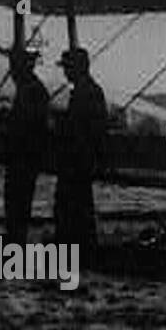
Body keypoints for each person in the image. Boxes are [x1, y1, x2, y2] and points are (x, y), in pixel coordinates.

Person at [0, 43, 49, 243]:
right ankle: (16, 239)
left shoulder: (30, 90)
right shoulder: (32, 88)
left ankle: (16, 242)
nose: (11, 71)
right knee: (19, 202)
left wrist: (4, 117)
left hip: (23, 157)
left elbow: (25, 124)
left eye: (14, 66)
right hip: (27, 156)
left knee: (17, 201)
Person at [55, 48, 107, 255]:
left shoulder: (85, 92)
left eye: (67, 67)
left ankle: (74, 245)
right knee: (80, 201)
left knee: (70, 201)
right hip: (84, 157)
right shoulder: (91, 90)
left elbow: (81, 127)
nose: (65, 72)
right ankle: (83, 244)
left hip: (78, 157)